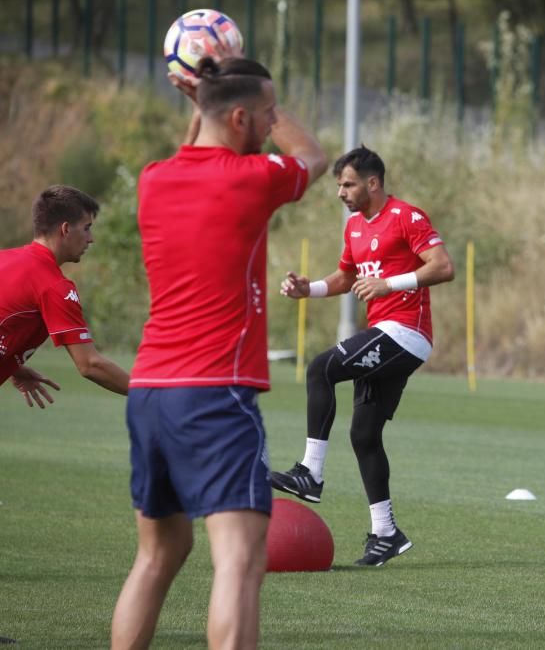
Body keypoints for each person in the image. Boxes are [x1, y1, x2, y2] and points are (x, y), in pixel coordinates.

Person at [110, 57, 328, 649]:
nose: (270, 122)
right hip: (215, 394)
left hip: (150, 391)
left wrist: (202, 94)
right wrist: (272, 112)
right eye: (264, 113)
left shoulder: (154, 178)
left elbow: (199, 143)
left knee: (159, 556)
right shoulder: (252, 178)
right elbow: (315, 157)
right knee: (239, 561)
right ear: (241, 117)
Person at [270, 146, 455, 567]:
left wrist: (390, 285)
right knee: (364, 436)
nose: (341, 192)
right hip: (383, 334)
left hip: (406, 332)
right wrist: (309, 289)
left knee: (321, 368)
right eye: (338, 185)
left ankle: (310, 473)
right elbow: (346, 277)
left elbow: (443, 267)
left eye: (348, 183)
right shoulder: (355, 226)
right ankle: (386, 533)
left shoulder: (407, 216)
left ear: (373, 182)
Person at [0, 185, 130, 405]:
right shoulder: (54, 286)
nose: (91, 239)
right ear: (66, 229)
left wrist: (12, 366)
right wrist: (148, 393)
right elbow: (90, 364)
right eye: (87, 228)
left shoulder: (5, 258)